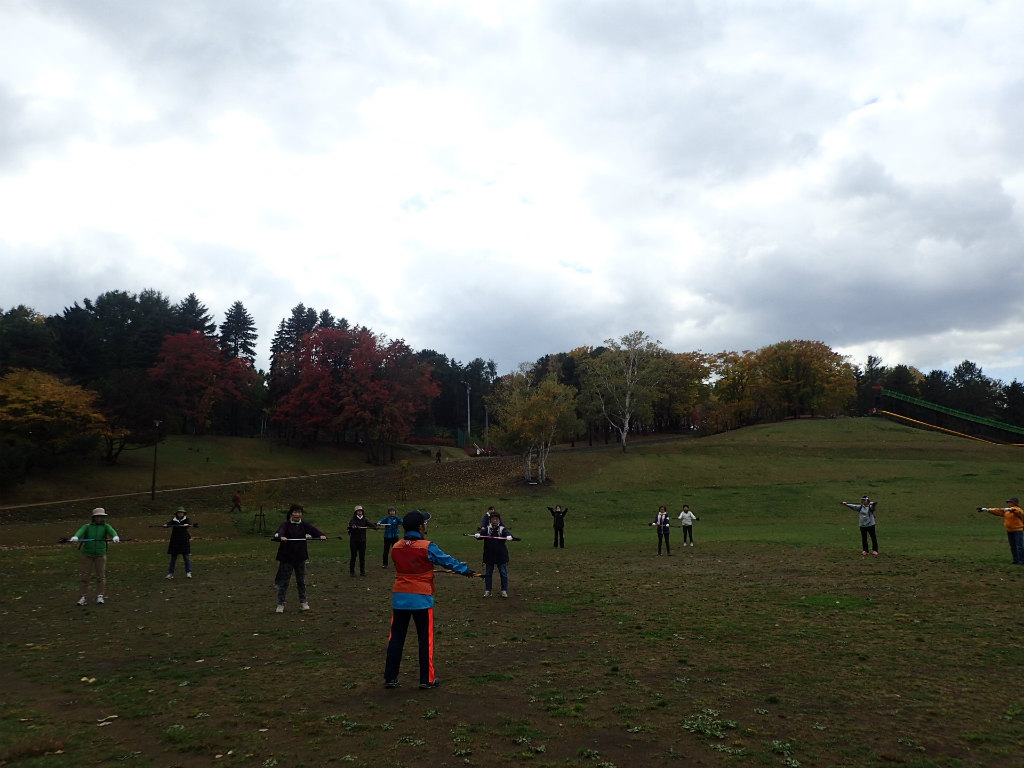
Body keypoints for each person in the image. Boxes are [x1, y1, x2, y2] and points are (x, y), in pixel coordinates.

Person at [384, 510, 480, 689]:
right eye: (425, 523)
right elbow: (446, 560)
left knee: (396, 638)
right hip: (421, 598)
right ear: (420, 527)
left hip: (400, 598)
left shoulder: (396, 546)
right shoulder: (427, 546)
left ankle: (390, 677)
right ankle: (426, 679)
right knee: (424, 640)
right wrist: (466, 570)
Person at [272, 504, 326, 612]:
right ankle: (280, 604)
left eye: (299, 512)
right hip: (287, 558)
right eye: (295, 512)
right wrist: (281, 537)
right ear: (291, 513)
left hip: (300, 557)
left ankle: (303, 602)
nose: (297, 514)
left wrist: (321, 535)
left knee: (301, 581)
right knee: (285, 582)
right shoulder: (286, 525)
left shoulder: (304, 525)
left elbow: (314, 531)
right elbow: (280, 532)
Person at [69, 508, 120, 605]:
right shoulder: (87, 526)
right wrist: (76, 537)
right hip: (87, 555)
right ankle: (83, 597)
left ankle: (100, 596)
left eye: (101, 516)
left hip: (100, 555)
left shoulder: (106, 526)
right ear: (94, 517)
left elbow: (112, 531)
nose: (99, 518)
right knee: (85, 577)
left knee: (100, 576)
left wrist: (115, 536)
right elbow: (80, 531)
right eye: (97, 516)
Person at [476, 512, 514, 597]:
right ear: (490, 520)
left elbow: (507, 533)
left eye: (497, 519)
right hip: (489, 555)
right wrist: (478, 535)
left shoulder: (502, 529)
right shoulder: (487, 529)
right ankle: (488, 590)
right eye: (493, 519)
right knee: (488, 573)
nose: (495, 520)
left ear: (499, 520)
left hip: (501, 555)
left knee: (503, 573)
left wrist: (509, 536)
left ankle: (504, 590)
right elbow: (481, 534)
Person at [977, 497, 1024, 564]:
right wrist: (987, 509)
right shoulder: (1007, 511)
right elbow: (998, 510)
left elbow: (1019, 512)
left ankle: (1022, 560)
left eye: (1010, 502)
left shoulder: (1018, 510)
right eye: (1008, 502)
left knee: (1019, 546)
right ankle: (1015, 560)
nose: (1009, 503)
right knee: (1013, 546)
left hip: (1017, 530)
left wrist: (1012, 509)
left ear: (1014, 503)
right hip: (1009, 530)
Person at [164, 506, 196, 579]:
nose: (180, 514)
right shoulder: (174, 520)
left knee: (186, 557)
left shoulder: (186, 520)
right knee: (173, 558)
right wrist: (166, 525)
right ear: (177, 514)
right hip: (175, 541)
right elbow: (169, 523)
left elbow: (190, 523)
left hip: (184, 541)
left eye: (182, 513)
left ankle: (188, 572)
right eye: (179, 513)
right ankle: (170, 573)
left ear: (184, 514)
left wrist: (187, 524)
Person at [348, 504, 379, 577]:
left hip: (362, 541)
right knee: (353, 556)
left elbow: (370, 524)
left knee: (362, 557)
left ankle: (362, 571)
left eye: (360, 511)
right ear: (356, 512)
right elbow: (351, 525)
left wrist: (375, 527)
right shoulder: (353, 520)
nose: (359, 512)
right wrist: (354, 527)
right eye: (358, 511)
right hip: (354, 541)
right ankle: (352, 571)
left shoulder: (365, 519)